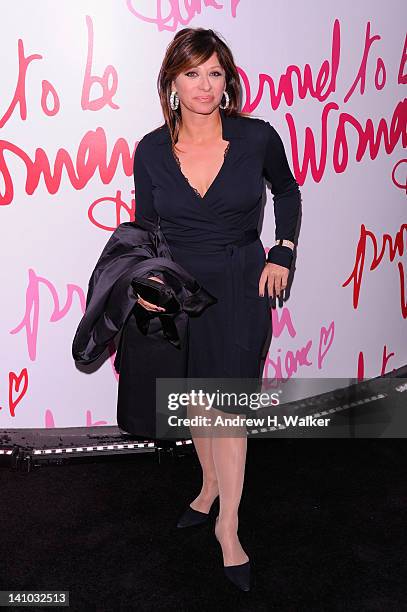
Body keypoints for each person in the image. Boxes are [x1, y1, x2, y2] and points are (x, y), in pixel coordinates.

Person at [133, 27, 301, 592]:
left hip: (239, 280)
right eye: (191, 73)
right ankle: (207, 488)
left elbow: (289, 191)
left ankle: (228, 525)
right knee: (200, 399)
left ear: (226, 79)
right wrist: (146, 281)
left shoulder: (256, 137)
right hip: (181, 288)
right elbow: (146, 228)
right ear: (172, 82)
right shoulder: (150, 150)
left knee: (227, 403)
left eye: (214, 72)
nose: (204, 85)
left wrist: (283, 250)